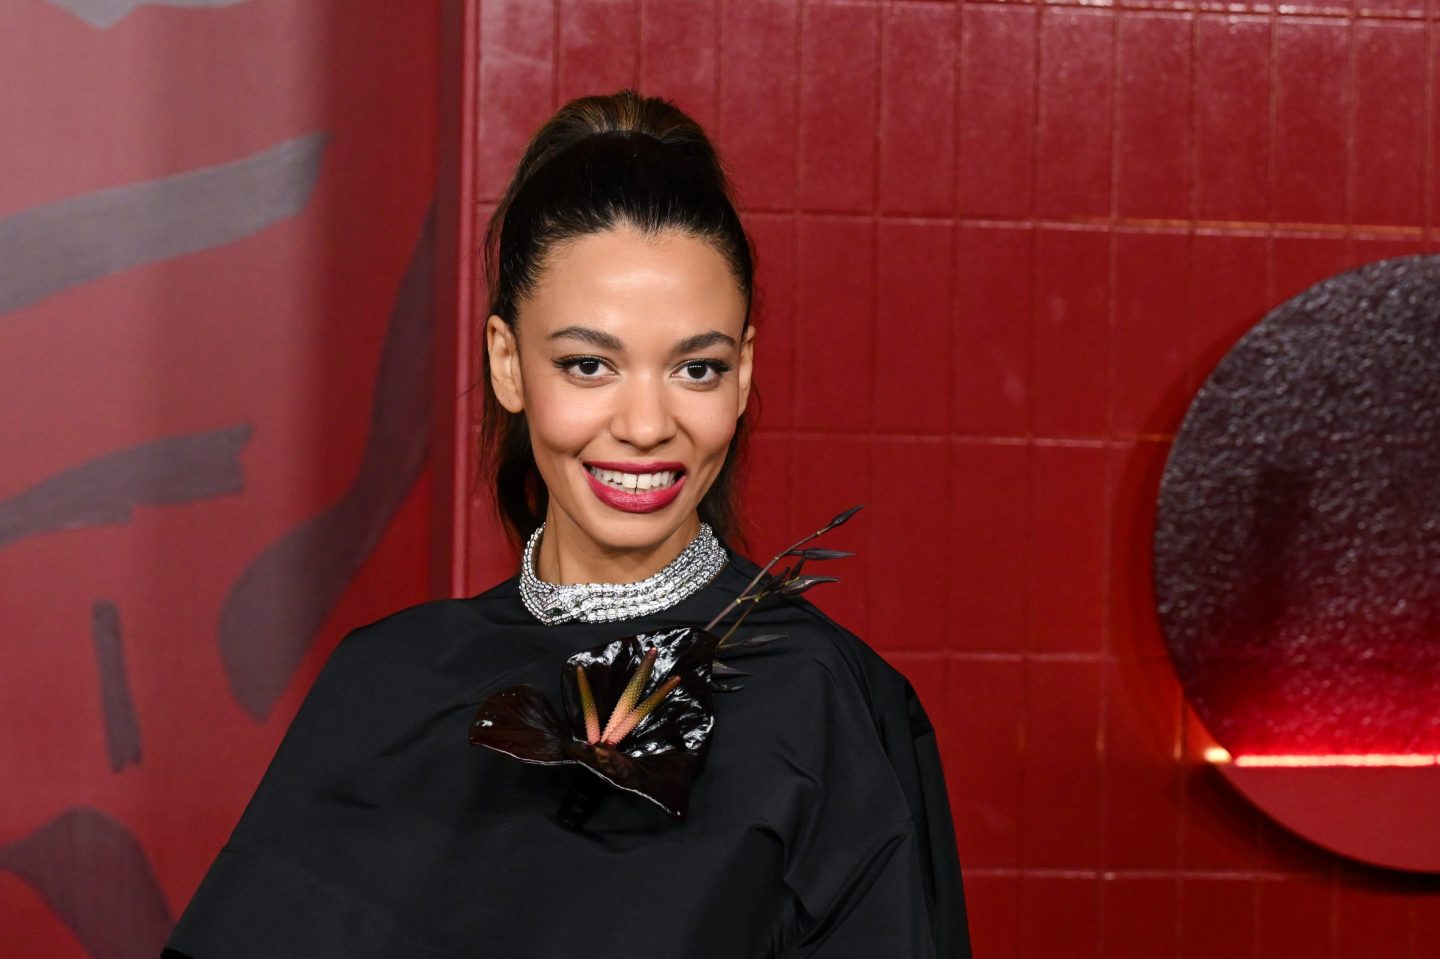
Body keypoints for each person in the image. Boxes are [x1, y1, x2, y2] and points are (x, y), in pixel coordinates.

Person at [163, 90, 972, 958]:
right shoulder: (383, 685)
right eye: (589, 364)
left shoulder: (831, 702)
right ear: (508, 365)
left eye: (695, 368)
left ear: (741, 377)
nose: (645, 423)